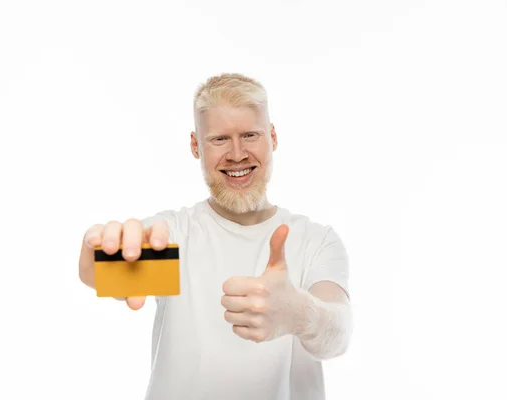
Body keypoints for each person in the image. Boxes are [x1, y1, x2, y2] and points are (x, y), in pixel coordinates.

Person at [78, 73, 353, 400]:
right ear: (196, 146)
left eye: (250, 135)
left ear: (273, 137)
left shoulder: (316, 240)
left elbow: (339, 332)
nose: (237, 154)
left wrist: (300, 313)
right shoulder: (174, 233)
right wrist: (96, 254)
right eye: (220, 139)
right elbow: (103, 272)